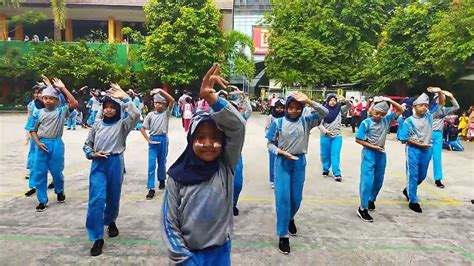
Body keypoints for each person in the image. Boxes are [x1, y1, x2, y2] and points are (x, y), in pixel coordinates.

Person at [161, 64, 246, 265]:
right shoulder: (176, 176)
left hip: (219, 254)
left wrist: (212, 99)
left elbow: (238, 127)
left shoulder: (225, 166)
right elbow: (168, 223)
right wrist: (184, 258)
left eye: (215, 138)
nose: (208, 144)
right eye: (200, 137)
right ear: (190, 141)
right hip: (187, 255)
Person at [266, 92, 328, 254]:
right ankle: (283, 235)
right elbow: (270, 144)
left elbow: (324, 112)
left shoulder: (306, 121)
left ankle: (290, 217)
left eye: (297, 108)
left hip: (299, 162)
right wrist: (280, 152)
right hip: (283, 162)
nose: (293, 111)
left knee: (296, 199)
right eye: (290, 107)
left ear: (302, 109)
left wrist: (308, 100)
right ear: (286, 108)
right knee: (283, 198)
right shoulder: (278, 122)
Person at [83, 83, 140, 256]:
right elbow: (87, 145)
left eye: (112, 107)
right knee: (97, 199)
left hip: (115, 162)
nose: (108, 110)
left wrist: (125, 97)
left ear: (117, 109)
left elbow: (136, 114)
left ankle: (111, 221)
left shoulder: (123, 125)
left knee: (113, 197)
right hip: (99, 165)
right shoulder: (97, 125)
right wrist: (92, 154)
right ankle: (97, 237)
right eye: (106, 107)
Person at [25, 77, 78, 212]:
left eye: (51, 98)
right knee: (39, 173)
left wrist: (63, 88)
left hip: (56, 144)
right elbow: (32, 129)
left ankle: (59, 190)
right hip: (41, 145)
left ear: (56, 100)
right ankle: (42, 200)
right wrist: (37, 142)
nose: (47, 100)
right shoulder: (38, 113)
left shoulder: (61, 111)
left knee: (57, 172)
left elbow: (74, 103)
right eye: (45, 98)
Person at [355, 97, 404, 222]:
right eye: (377, 113)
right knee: (367, 181)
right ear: (372, 110)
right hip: (369, 153)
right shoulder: (366, 123)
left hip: (381, 154)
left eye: (382, 114)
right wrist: (372, 146)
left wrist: (389, 100)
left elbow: (401, 109)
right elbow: (358, 139)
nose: (379, 116)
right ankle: (362, 208)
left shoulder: (386, 121)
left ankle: (371, 199)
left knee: (378, 181)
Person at [399, 88, 444, 213]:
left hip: (426, 150)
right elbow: (404, 138)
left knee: (422, 175)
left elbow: (441, 103)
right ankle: (413, 201)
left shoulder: (429, 116)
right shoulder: (409, 121)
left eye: (426, 105)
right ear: (414, 106)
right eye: (421, 105)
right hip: (413, 150)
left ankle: (408, 189)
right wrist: (420, 144)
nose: (424, 108)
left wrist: (439, 92)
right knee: (413, 175)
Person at [140, 88, 175, 199]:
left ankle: (161, 179)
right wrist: (148, 140)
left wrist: (161, 91)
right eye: (156, 103)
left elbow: (172, 100)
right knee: (151, 165)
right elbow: (142, 128)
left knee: (162, 162)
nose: (158, 105)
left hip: (163, 139)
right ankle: (151, 188)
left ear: (164, 104)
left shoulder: (166, 114)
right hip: (153, 140)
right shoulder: (150, 115)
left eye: (160, 103)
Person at [228, 86, 252, 216]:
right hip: (222, 157)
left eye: (235, 109)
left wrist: (242, 95)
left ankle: (233, 204)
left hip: (237, 156)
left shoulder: (241, 120)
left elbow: (249, 109)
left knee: (237, 183)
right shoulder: (220, 121)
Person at [317, 94, 352, 182]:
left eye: (334, 100)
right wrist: (326, 131)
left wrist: (345, 100)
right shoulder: (323, 111)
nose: (333, 102)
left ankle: (337, 173)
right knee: (325, 155)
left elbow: (349, 106)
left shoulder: (339, 109)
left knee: (335, 155)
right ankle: (325, 169)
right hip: (325, 136)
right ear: (327, 101)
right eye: (331, 100)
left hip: (337, 136)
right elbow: (319, 124)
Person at [429, 90, 459, 188]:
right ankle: (418, 177)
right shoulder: (431, 109)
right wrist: (440, 93)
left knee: (437, 158)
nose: (443, 100)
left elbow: (456, 107)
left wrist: (451, 97)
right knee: (425, 158)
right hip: (428, 135)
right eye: (441, 98)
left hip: (438, 135)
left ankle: (438, 179)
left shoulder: (444, 110)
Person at [24, 84, 46, 197]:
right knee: (34, 160)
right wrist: (28, 134)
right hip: (35, 136)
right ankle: (33, 185)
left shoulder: (50, 104)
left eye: (40, 92)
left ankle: (56, 181)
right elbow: (29, 120)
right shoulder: (31, 105)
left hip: (47, 137)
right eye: (36, 92)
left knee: (49, 161)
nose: (38, 95)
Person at [264, 98, 285, 189]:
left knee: (283, 161)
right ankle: (272, 180)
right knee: (273, 161)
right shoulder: (271, 117)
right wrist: (272, 136)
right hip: (273, 142)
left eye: (282, 107)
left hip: (283, 143)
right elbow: (267, 129)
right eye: (278, 107)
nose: (279, 109)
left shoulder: (286, 117)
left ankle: (281, 179)